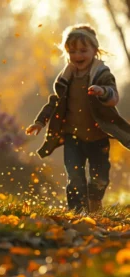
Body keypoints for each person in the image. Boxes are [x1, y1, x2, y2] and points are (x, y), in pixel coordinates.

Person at [25, 24, 130, 213]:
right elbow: (54, 102)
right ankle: (76, 211)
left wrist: (102, 91)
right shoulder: (66, 79)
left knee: (100, 178)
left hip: (98, 137)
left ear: (95, 50)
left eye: (83, 50)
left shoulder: (101, 74)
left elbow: (113, 95)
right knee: (74, 176)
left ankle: (94, 201)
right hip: (72, 137)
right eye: (72, 51)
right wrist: (40, 122)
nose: (77, 56)